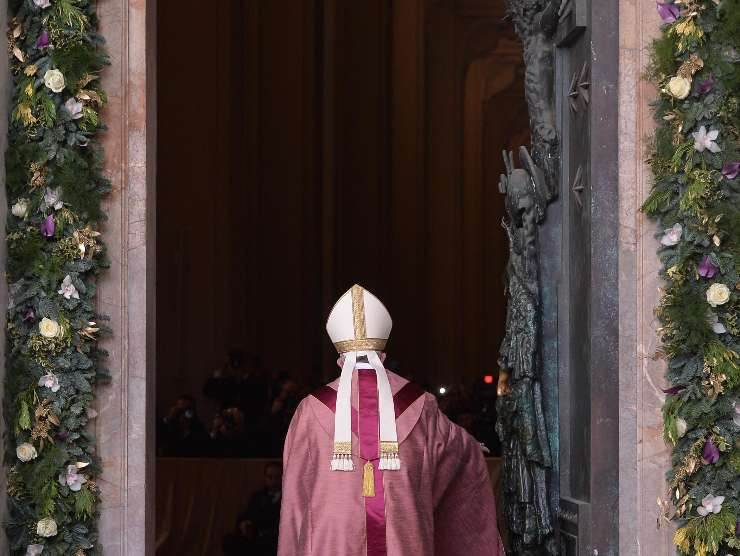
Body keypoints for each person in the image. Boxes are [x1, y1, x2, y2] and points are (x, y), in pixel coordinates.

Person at [278, 284, 504, 555]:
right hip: (404, 542)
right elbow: (455, 451)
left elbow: (295, 496)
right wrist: (470, 447)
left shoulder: (310, 410)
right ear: (381, 351)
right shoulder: (420, 403)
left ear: (340, 354)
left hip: (331, 543)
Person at [224, 462, 283, 556]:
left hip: (274, 539)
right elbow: (246, 515)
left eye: (277, 477)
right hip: (254, 536)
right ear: (265, 478)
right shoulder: (257, 496)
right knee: (229, 540)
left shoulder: (289, 499)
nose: (273, 481)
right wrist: (244, 523)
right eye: (270, 477)